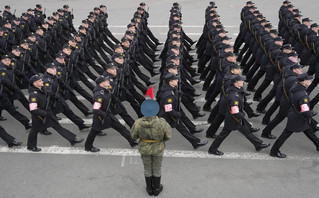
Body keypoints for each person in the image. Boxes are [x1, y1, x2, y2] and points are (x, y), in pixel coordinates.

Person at [208, 74, 270, 155]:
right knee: (223, 134)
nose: (243, 82)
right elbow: (234, 109)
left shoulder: (237, 90)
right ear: (236, 82)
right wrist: (241, 115)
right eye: (241, 81)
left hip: (235, 117)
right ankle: (212, 149)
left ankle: (258, 144)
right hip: (233, 118)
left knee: (246, 131)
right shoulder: (234, 95)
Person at [27, 74, 84, 152]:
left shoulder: (42, 88)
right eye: (39, 81)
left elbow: (48, 93)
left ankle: (72, 139)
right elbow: (33, 109)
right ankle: (31, 146)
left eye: (41, 80)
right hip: (39, 116)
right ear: (34, 83)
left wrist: (55, 96)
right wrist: (44, 113)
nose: (42, 82)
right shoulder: (33, 95)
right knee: (34, 130)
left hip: (48, 112)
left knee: (57, 126)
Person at [270, 73, 319, 158]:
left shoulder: (296, 87)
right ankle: (274, 150)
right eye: (308, 79)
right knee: (286, 134)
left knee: (309, 131)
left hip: (295, 114)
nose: (310, 81)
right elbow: (305, 110)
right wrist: (311, 113)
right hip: (298, 118)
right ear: (303, 82)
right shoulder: (303, 95)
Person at [84, 76, 138, 152]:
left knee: (121, 127)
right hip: (100, 117)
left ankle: (132, 142)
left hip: (108, 114)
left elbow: (110, 96)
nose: (108, 82)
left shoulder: (105, 89)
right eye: (106, 81)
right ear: (101, 83)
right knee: (94, 131)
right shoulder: (99, 95)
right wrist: (104, 115)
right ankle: (88, 147)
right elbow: (96, 109)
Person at [131, 99, 171, 196]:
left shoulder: (138, 123)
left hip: (144, 148)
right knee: (157, 168)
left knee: (147, 168)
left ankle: (149, 189)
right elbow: (168, 136)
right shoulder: (162, 122)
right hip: (158, 148)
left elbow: (134, 136)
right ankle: (156, 189)